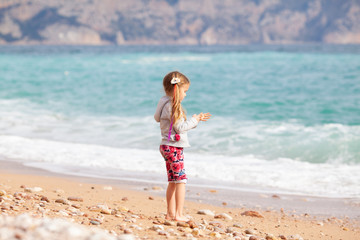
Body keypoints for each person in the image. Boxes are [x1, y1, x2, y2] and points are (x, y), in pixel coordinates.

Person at [154, 71, 211, 222]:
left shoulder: (164, 102)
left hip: (165, 146)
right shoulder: (174, 106)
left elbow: (157, 118)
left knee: (172, 180)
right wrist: (195, 120)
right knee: (181, 181)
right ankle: (178, 214)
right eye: (184, 91)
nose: (185, 95)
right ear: (176, 89)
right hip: (174, 147)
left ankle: (170, 213)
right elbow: (180, 128)